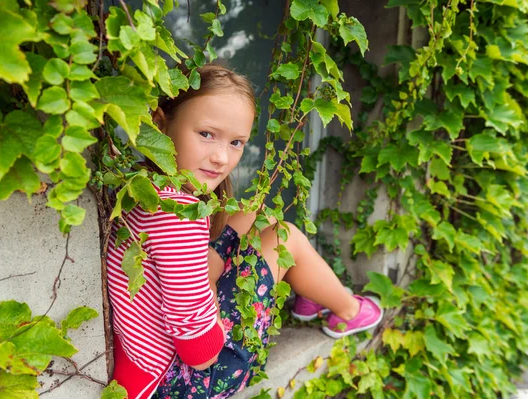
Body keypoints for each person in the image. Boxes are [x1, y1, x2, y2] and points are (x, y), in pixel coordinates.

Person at [106, 64, 383, 399]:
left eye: (236, 142)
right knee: (285, 237)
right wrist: (214, 307)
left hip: (163, 361)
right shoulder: (178, 216)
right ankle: (349, 311)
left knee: (254, 215)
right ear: (160, 122)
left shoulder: (142, 186)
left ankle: (313, 295)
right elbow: (200, 353)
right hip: (185, 380)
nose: (222, 158)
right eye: (206, 134)